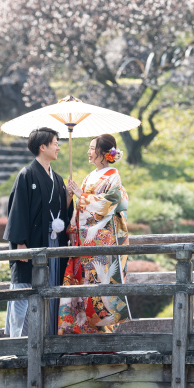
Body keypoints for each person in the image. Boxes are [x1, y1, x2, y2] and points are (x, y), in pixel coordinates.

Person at [3, 127, 72, 337]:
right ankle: (21, 341)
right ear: (42, 147)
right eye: (55, 143)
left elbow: (62, 213)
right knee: (26, 289)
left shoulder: (58, 179)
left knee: (51, 289)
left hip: (53, 242)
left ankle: (48, 337)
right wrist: (20, 244)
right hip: (31, 243)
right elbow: (18, 210)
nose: (59, 147)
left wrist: (68, 197)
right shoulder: (26, 175)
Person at [59, 133, 130, 334]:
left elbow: (110, 204)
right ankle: (81, 335)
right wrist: (72, 227)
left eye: (92, 148)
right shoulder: (89, 176)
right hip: (85, 242)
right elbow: (80, 210)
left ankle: (104, 337)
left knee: (100, 290)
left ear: (104, 153)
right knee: (83, 289)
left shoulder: (113, 176)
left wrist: (82, 196)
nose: (89, 152)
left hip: (102, 244)